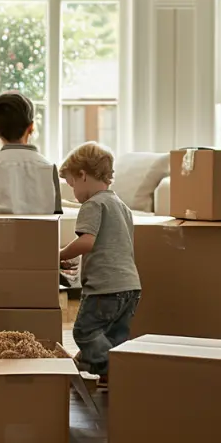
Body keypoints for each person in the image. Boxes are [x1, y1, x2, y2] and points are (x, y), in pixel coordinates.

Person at [59, 142, 141, 385]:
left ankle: (115, 372)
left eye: (72, 184)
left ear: (82, 175)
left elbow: (87, 242)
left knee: (85, 330)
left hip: (104, 288)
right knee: (114, 336)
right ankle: (98, 370)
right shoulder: (122, 206)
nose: (74, 192)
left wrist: (60, 254)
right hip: (130, 286)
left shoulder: (93, 204)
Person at [0, 91, 63, 216]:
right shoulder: (49, 166)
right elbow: (57, 218)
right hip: (43, 235)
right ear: (31, 127)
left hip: (0, 234)